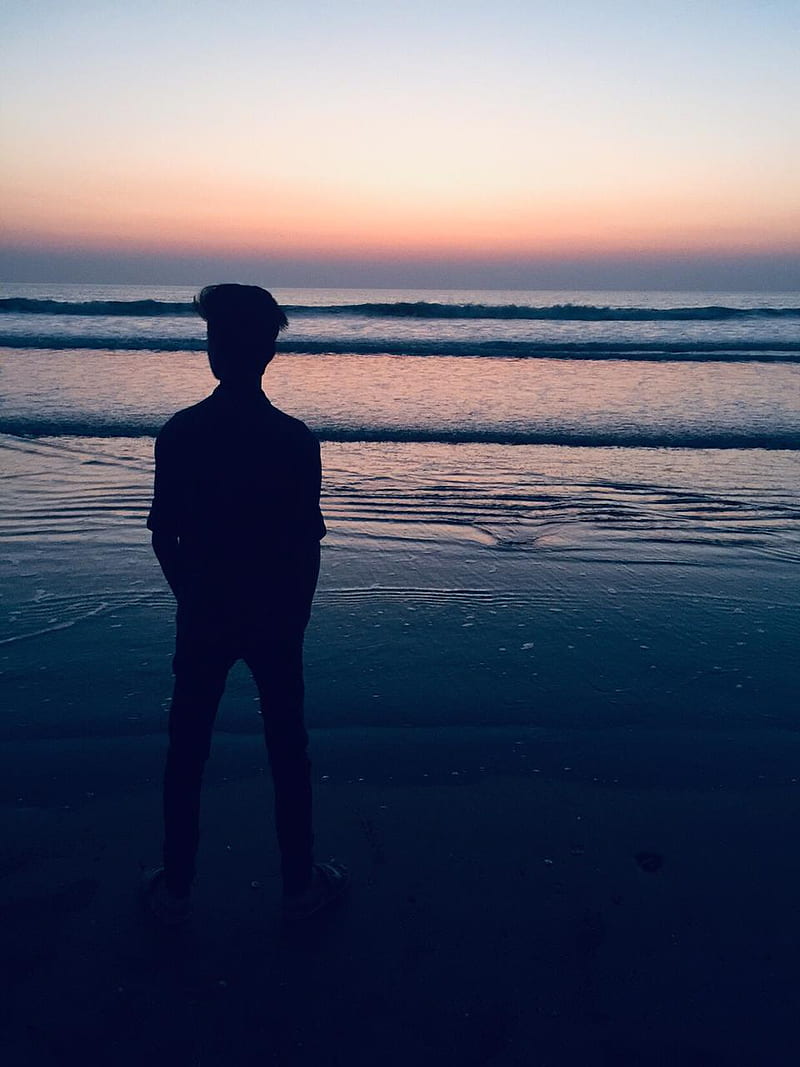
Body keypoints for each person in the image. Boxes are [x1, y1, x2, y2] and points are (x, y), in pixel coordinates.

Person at [142, 283, 348, 924]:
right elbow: (306, 544)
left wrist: (193, 596)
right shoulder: (294, 441)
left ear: (214, 351)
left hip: (205, 610)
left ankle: (176, 887)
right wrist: (297, 614)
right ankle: (298, 884)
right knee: (287, 746)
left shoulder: (181, 433)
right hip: (274, 615)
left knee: (188, 749)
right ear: (268, 354)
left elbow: (162, 532)